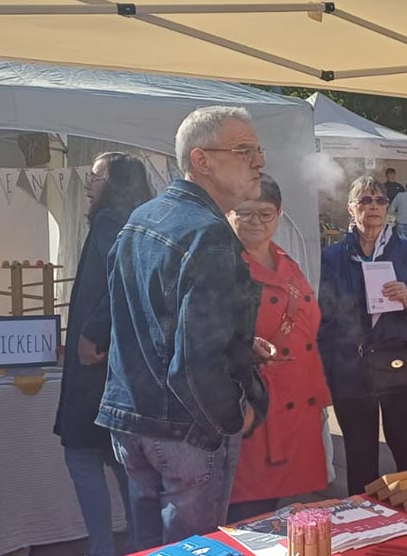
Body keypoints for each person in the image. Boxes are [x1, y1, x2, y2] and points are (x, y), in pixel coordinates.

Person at [96, 106, 273, 548]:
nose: (259, 161)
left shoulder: (141, 218)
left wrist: (238, 342)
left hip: (133, 421)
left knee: (149, 546)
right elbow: (192, 362)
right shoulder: (208, 234)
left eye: (258, 149)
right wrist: (235, 414)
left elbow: (150, 322)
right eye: (244, 149)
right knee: (192, 549)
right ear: (202, 160)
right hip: (184, 428)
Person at [54, 152, 152, 556]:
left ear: (112, 180)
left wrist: (94, 334)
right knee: (117, 459)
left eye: (95, 176)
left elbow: (121, 279)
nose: (89, 183)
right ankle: (137, 542)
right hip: (117, 364)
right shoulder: (137, 219)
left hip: (101, 367)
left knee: (85, 456)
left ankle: (107, 547)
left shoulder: (113, 220)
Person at [226, 173, 332, 522]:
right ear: (229, 213)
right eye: (245, 212)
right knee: (248, 513)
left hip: (296, 403)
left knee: (283, 511)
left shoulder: (286, 260)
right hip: (254, 407)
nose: (255, 221)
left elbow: (309, 327)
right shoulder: (224, 264)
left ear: (279, 215)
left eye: (265, 213)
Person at [318, 176, 407, 494]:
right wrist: (325, 374)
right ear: (350, 208)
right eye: (365, 200)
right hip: (350, 369)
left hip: (396, 363)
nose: (374, 206)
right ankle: (363, 525)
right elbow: (323, 320)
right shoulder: (333, 257)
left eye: (380, 200)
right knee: (360, 454)